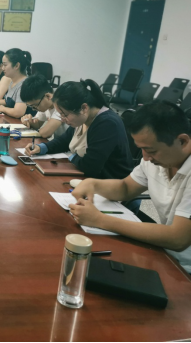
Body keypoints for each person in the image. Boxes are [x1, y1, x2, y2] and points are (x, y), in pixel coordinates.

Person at [69, 101, 191, 273]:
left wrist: (99, 219)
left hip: (184, 269)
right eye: (141, 149)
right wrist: (93, 184)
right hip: (164, 254)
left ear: (182, 141)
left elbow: (178, 238)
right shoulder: (156, 160)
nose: (146, 158)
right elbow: (125, 188)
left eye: (151, 151)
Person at [25, 79, 133, 180]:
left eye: (64, 114)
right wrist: (42, 148)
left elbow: (89, 167)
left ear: (84, 108)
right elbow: (64, 141)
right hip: (87, 178)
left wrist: (70, 156)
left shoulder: (107, 123)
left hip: (109, 184)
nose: (62, 119)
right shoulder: (83, 119)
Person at [20, 74, 69, 140]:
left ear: (48, 96)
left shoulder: (61, 106)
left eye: (35, 105)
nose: (34, 109)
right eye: (31, 106)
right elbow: (38, 124)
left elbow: (45, 133)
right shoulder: (45, 106)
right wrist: (29, 121)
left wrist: (41, 130)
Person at [0, 49, 32, 118]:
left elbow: (18, 112)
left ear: (16, 66)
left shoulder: (24, 85)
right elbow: (8, 103)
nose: (2, 68)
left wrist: (3, 109)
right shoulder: (12, 82)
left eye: (5, 65)